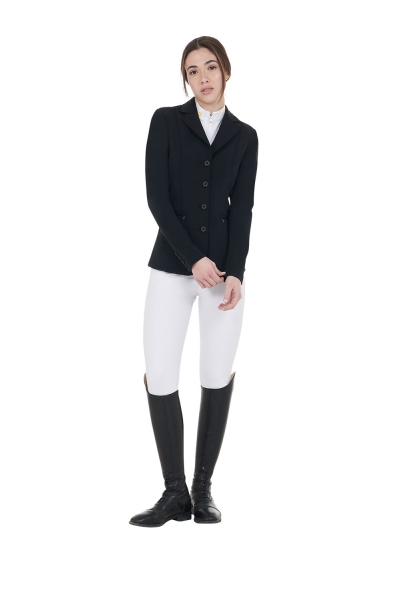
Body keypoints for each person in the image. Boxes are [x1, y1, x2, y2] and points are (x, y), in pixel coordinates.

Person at [129, 36, 259, 527]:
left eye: (210, 67)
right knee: (161, 374)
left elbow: (242, 210)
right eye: (192, 70)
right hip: (171, 266)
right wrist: (192, 258)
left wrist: (236, 271)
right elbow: (157, 198)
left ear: (226, 70)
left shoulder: (245, 136)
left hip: (222, 276)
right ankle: (173, 493)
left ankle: (202, 491)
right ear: (185, 79)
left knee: (215, 373)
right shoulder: (166, 121)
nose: (203, 77)